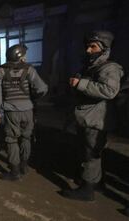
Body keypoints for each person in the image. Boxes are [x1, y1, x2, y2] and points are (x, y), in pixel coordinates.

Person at [60, 30, 123, 201]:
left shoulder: (110, 68)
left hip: (95, 120)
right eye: (88, 46)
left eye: (93, 47)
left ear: (104, 48)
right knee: (90, 152)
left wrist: (81, 84)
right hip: (88, 117)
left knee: (90, 155)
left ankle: (87, 190)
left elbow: (110, 91)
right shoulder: (92, 66)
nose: (88, 50)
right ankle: (97, 183)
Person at [0, 44, 47, 181]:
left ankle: (14, 172)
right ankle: (24, 165)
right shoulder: (29, 70)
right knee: (26, 138)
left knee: (11, 140)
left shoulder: (0, 71)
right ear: (20, 56)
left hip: (11, 111)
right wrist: (33, 98)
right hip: (28, 110)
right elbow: (42, 88)